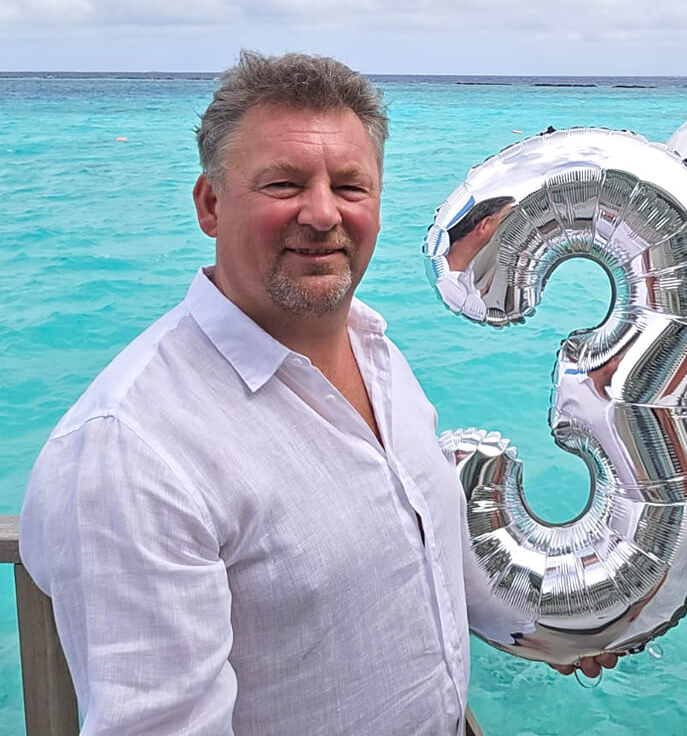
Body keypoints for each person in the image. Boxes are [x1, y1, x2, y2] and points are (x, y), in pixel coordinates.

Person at [19, 51, 474, 735]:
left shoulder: (376, 349)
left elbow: (424, 558)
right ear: (210, 204)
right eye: (284, 183)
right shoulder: (132, 450)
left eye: (350, 186)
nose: (322, 213)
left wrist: (556, 626)